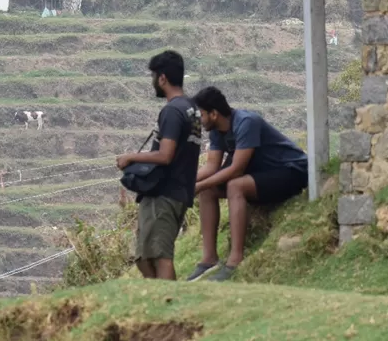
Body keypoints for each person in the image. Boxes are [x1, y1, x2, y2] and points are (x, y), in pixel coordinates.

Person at [188, 87, 308, 282]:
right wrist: (186, 183)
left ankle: (235, 260)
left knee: (235, 185)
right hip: (264, 173)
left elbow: (236, 169)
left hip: (292, 171)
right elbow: (211, 167)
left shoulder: (246, 122)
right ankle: (209, 259)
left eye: (200, 115)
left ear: (214, 113)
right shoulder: (217, 131)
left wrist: (199, 185)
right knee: (208, 190)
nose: (199, 120)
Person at [115, 51, 202, 281]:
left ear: (162, 78)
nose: (153, 81)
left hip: (164, 193)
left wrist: (131, 157)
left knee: (160, 256)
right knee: (145, 257)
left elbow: (165, 156)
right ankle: (158, 300)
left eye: (154, 76)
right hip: (178, 190)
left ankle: (170, 305)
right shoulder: (191, 109)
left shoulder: (172, 111)